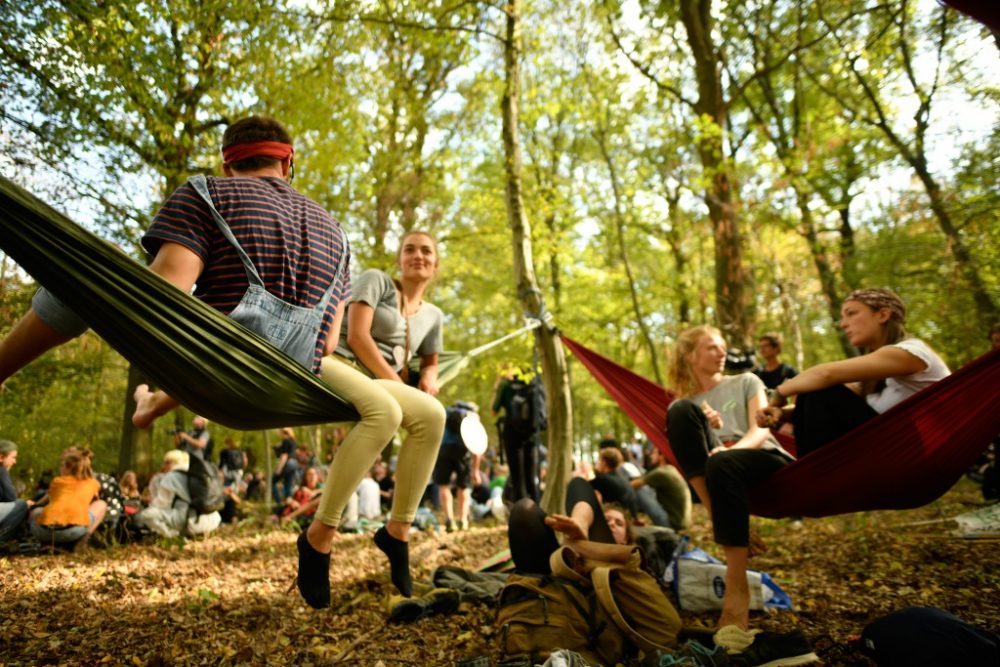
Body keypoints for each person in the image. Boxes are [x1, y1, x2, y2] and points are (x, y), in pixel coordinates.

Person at [301, 229, 446, 608]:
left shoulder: (433, 316)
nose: (418, 255)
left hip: (377, 382)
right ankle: (320, 533)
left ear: (435, 264)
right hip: (336, 362)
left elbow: (431, 361)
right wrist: (401, 383)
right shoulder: (376, 281)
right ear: (399, 259)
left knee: (432, 414)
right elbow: (361, 338)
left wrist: (428, 377)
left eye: (426, 251)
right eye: (410, 249)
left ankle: (397, 532)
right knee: (388, 412)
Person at [665, 324, 796, 634]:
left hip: (763, 459)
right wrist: (716, 513)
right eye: (712, 347)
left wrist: (730, 450)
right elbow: (696, 466)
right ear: (690, 355)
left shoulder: (746, 380)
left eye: (723, 347)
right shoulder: (683, 405)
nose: (722, 352)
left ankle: (737, 586)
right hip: (720, 477)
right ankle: (723, 517)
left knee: (723, 462)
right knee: (680, 411)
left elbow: (761, 428)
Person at [758, 288, 950, 459]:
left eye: (851, 314)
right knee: (812, 390)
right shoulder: (876, 375)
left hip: (911, 453)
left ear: (883, 315)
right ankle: (813, 477)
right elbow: (825, 408)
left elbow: (825, 374)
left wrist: (779, 394)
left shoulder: (912, 351)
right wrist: (782, 414)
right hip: (887, 448)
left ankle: (813, 479)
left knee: (818, 388)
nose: (843, 324)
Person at [29, 447, 108, 546]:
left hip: (43, 532)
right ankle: (84, 540)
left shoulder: (57, 481)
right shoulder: (93, 483)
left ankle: (43, 542)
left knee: (37, 511)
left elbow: (47, 501)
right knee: (101, 504)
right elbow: (92, 503)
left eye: (62, 466)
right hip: (72, 532)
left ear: (69, 468)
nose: (60, 468)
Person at [134, 449, 221, 538]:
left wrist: (147, 505)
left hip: (190, 523)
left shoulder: (171, 477)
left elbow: (161, 505)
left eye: (167, 462)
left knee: (146, 515)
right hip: (213, 520)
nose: (163, 466)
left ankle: (173, 536)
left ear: (174, 462)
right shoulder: (198, 474)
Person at [491, 368, 542, 503]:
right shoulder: (532, 384)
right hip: (531, 434)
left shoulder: (505, 385)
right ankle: (537, 512)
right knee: (531, 477)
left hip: (512, 433)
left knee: (517, 477)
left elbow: (493, 411)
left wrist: (497, 388)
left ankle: (522, 515)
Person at [432, 400, 482, 532]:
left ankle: (449, 520)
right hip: (463, 451)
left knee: (443, 485)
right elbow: (478, 446)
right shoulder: (473, 416)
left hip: (444, 450)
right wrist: (476, 470)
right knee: (463, 486)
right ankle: (463, 520)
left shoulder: (447, 412)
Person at [630, 445, 692, 531]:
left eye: (653, 453)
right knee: (645, 489)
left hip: (672, 523)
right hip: (682, 521)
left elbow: (632, 486)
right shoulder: (670, 469)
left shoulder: (661, 473)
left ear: (662, 456)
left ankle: (634, 518)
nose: (651, 456)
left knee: (639, 490)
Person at [0, 440, 30, 544]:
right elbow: (11, 497)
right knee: (21, 504)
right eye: (13, 457)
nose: (15, 462)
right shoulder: (1, 470)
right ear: (1, 457)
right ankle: (2, 541)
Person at [272, 427, 300, 503]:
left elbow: (284, 455)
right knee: (288, 484)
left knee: (273, 481)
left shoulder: (286, 441)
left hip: (288, 463)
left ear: (283, 432)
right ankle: (288, 502)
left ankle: (278, 502)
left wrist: (279, 469)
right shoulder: (293, 441)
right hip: (294, 463)